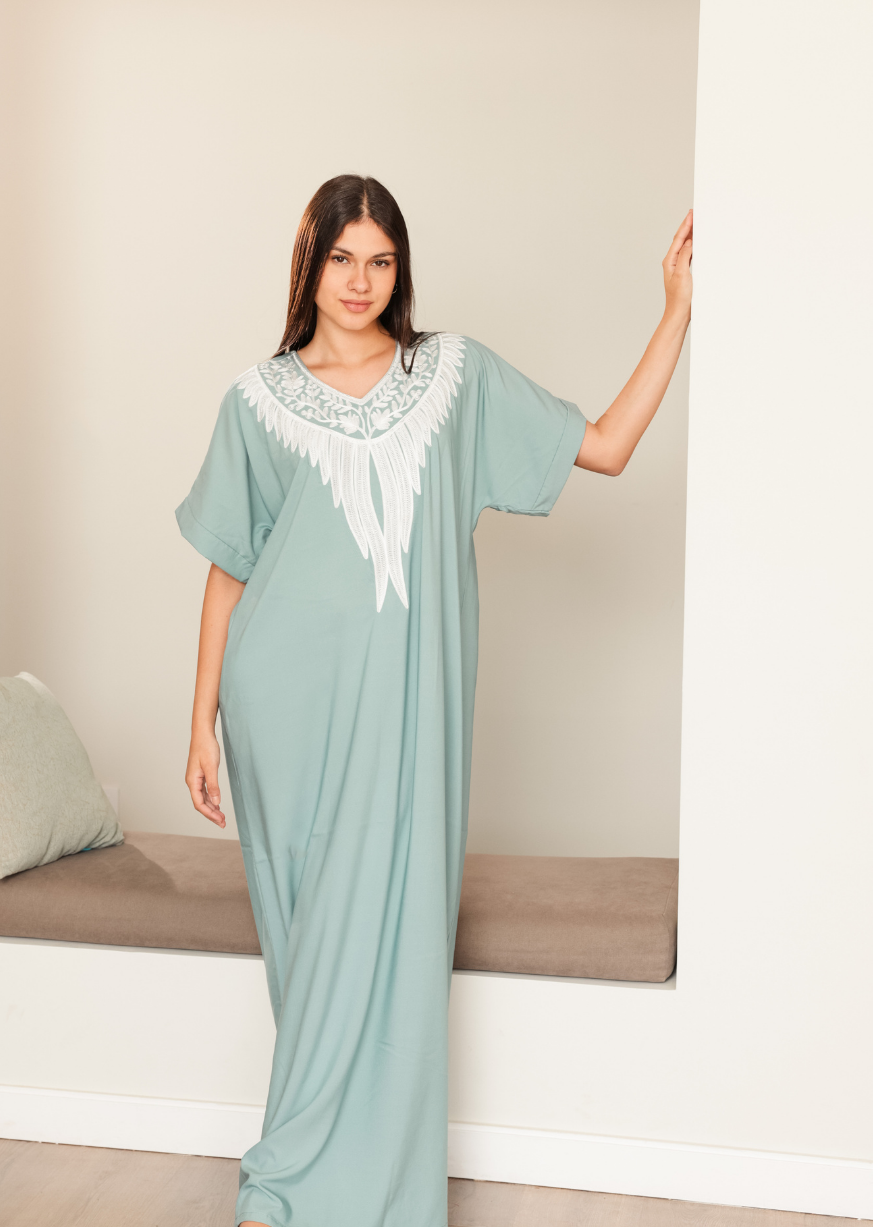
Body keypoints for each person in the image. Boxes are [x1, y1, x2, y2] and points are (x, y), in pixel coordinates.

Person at [175, 174, 692, 1227]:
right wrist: (201, 726)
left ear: (400, 270)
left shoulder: (453, 378)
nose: (360, 281)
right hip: (284, 714)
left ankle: (341, 1190)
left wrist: (677, 311)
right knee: (314, 955)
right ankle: (288, 1185)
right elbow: (229, 571)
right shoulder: (255, 401)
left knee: (398, 942)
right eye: (341, 258)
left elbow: (605, 446)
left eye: (381, 260)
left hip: (408, 721)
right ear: (309, 264)